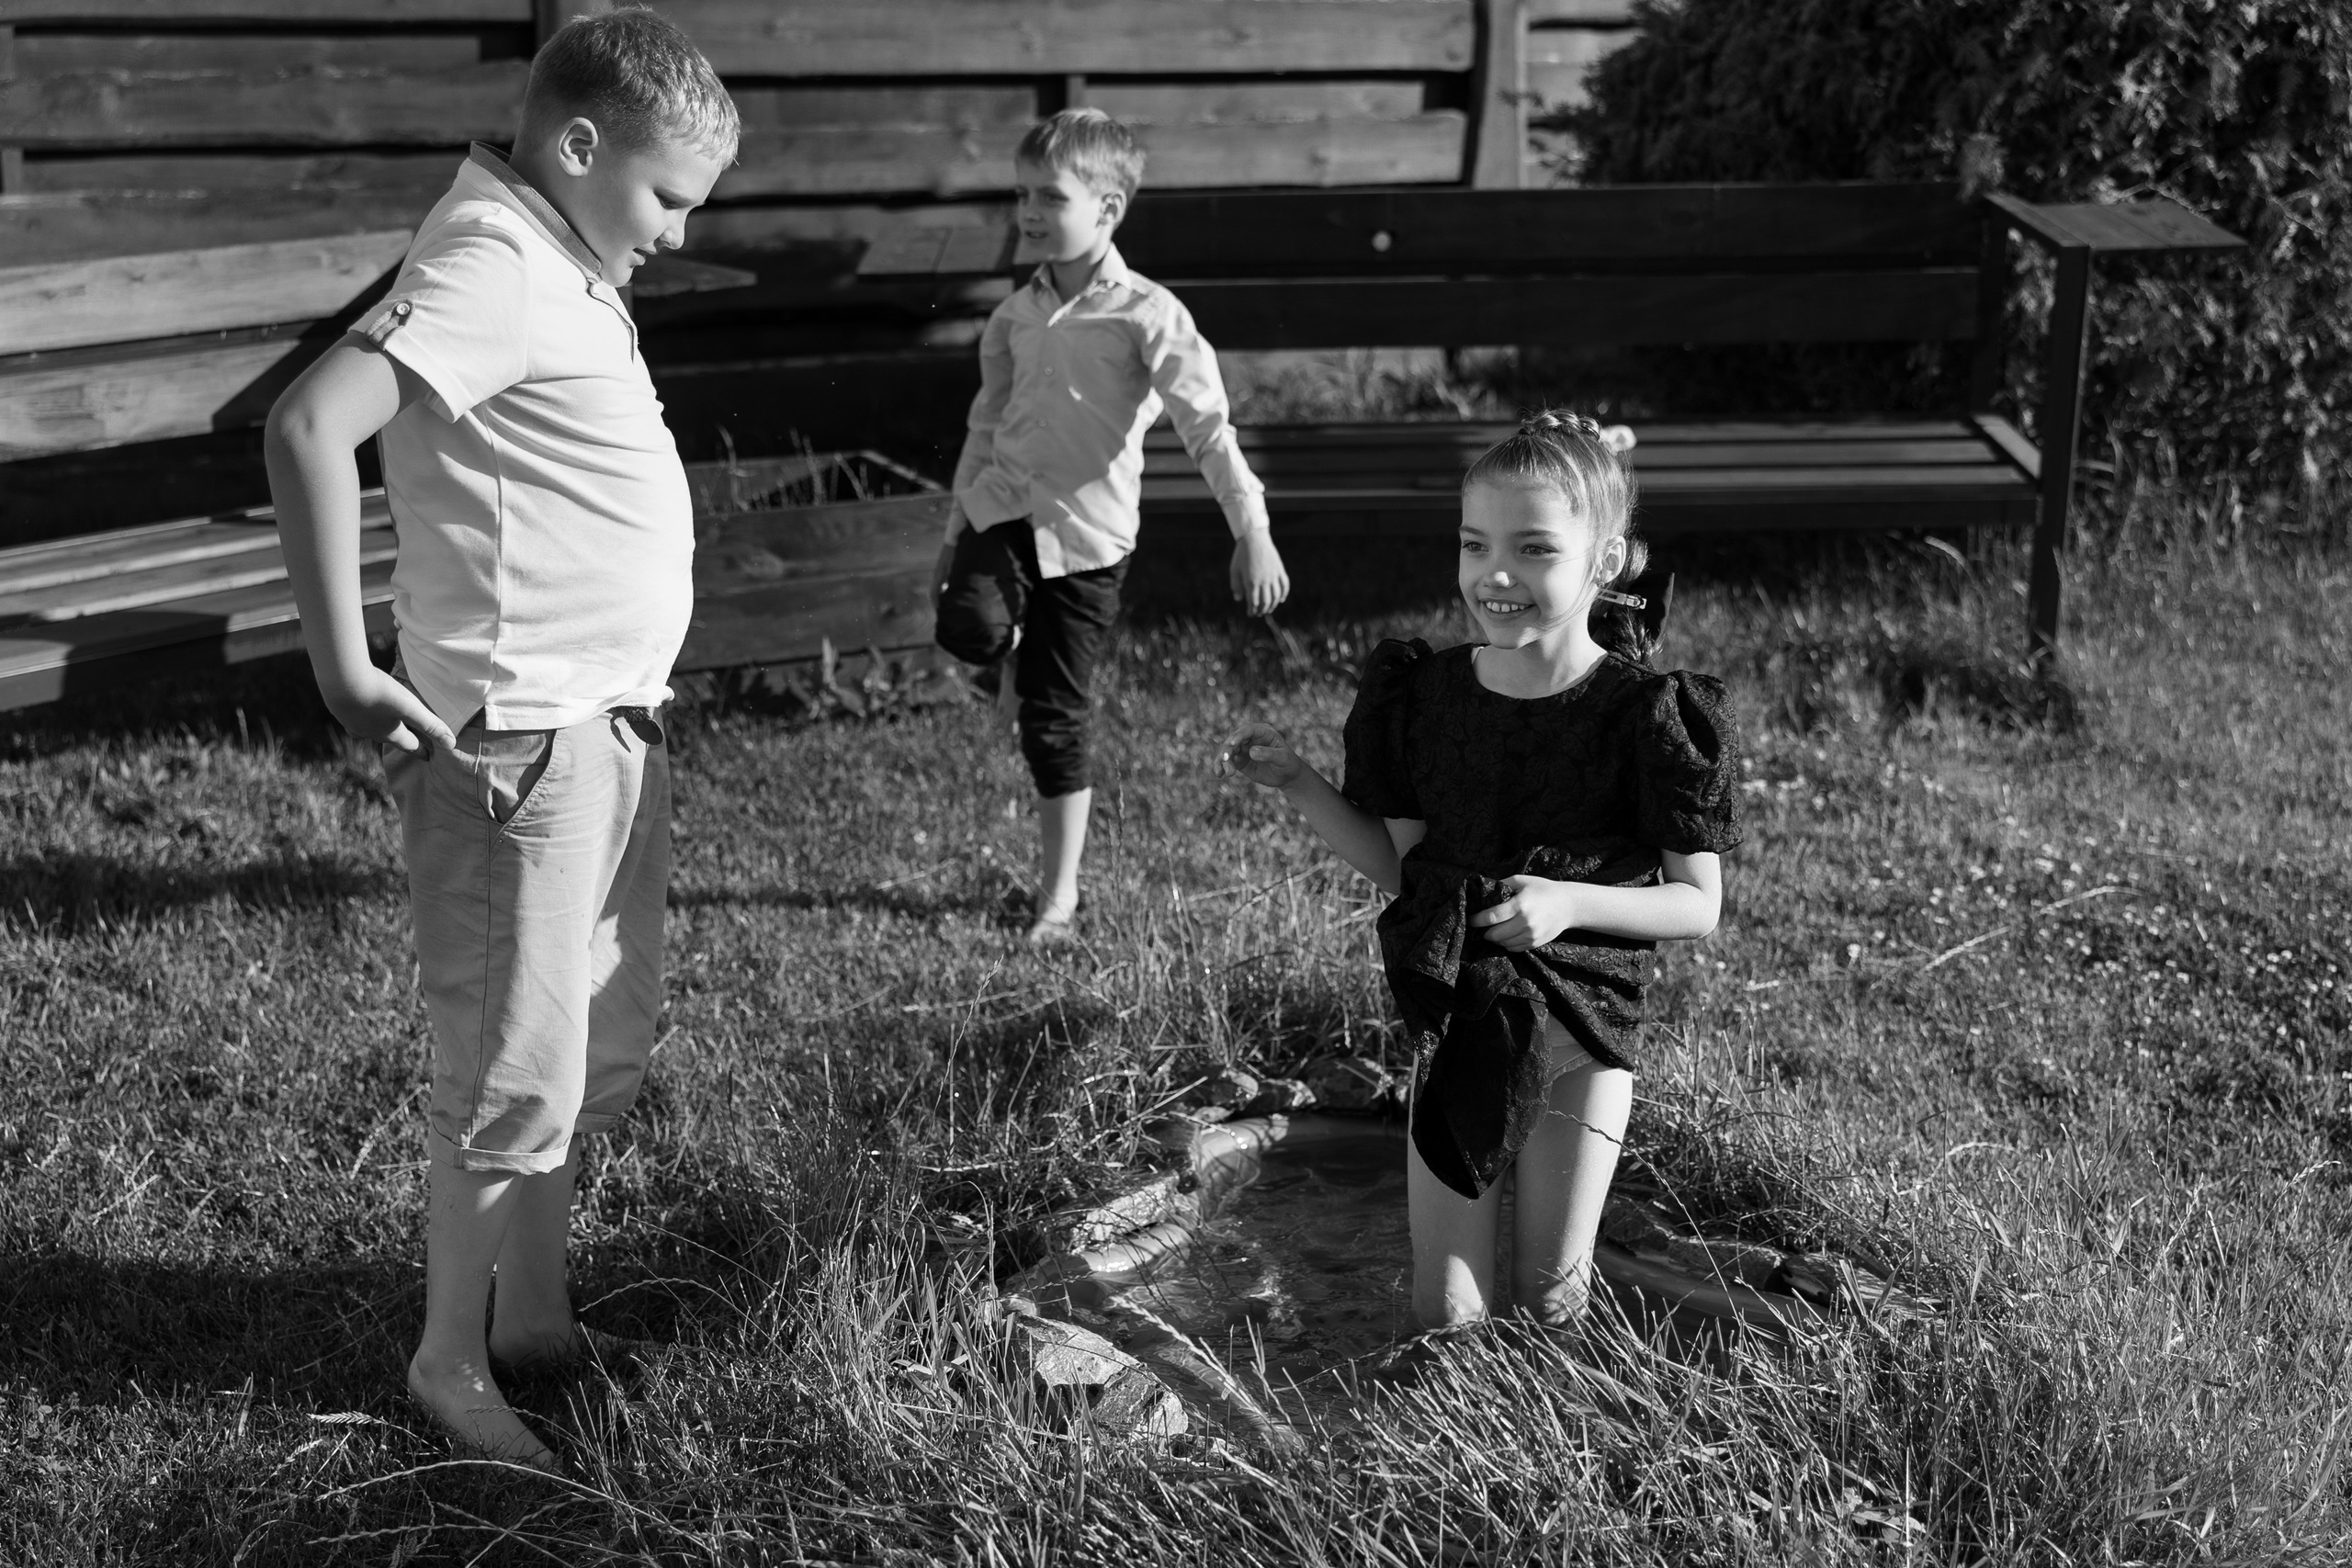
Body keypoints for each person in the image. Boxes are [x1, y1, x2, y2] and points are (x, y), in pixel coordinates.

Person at [263, 7, 737, 1470]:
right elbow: (307, 423)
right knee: (503, 1073)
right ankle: (448, 1360)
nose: (670, 234)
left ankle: (532, 1313)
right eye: (665, 199)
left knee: (581, 1049)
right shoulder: (494, 262)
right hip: (514, 749)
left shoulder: (558, 252)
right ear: (579, 145)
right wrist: (346, 662)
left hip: (597, 731)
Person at [1217, 412, 1742, 1329]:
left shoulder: (1642, 716)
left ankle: (1551, 1466)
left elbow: (1697, 905)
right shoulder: (1423, 699)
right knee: (1445, 1306)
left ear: (1605, 558)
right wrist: (1301, 785)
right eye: (1474, 545)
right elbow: (1410, 877)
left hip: (1580, 1034)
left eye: (1534, 548)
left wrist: (1564, 903)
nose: (1495, 575)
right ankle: (1433, 1463)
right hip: (1457, 1030)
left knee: (1549, 1295)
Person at [934, 107, 1290, 947]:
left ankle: (1057, 895)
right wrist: (953, 535)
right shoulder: (1013, 317)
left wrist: (1253, 528)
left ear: (1107, 209)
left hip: (1088, 542)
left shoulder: (1148, 314)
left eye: (1047, 195)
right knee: (966, 625)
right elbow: (985, 429)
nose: (1026, 210)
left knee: (1056, 720)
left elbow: (1208, 426)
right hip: (1001, 510)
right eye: (1019, 193)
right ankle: (1005, 647)